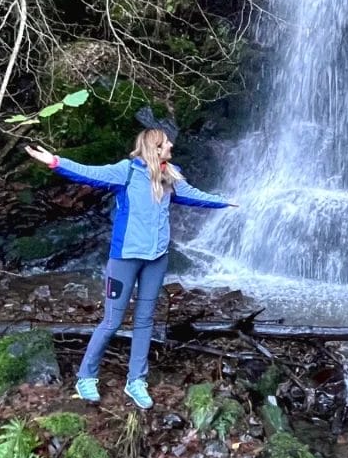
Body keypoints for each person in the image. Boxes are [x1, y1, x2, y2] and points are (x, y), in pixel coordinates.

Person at [26, 129, 236, 409]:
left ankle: (136, 380)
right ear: (154, 148)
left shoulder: (170, 175)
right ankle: (86, 377)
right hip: (124, 259)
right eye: (166, 142)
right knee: (112, 321)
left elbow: (194, 195)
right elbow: (89, 173)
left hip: (157, 259)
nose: (171, 144)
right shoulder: (125, 172)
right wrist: (55, 162)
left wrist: (226, 202)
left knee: (145, 320)